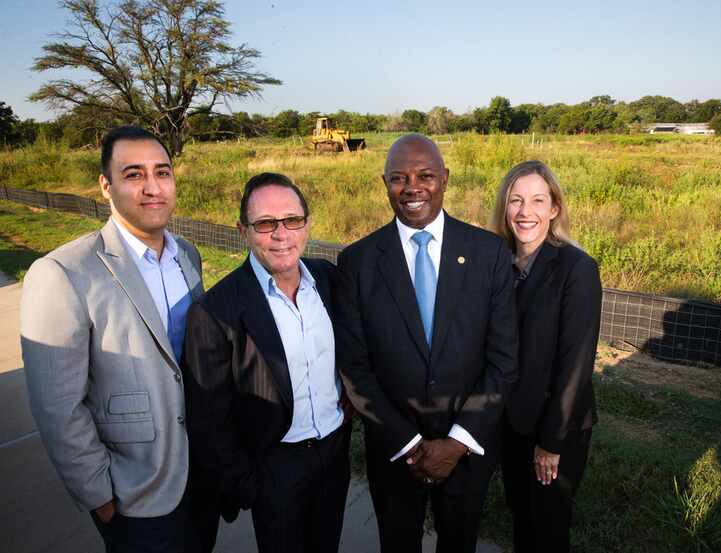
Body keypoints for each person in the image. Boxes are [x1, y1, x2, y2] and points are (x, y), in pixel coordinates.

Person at [20, 126, 204, 553]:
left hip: (199, 476)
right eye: (134, 174)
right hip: (134, 492)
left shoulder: (188, 257)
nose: (152, 188)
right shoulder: (63, 273)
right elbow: (56, 406)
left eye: (162, 172)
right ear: (106, 185)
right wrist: (99, 493)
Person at [334, 134, 518, 553]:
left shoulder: (487, 253)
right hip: (395, 451)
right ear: (385, 183)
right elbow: (355, 367)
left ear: (445, 179)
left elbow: (503, 360)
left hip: (467, 449)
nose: (412, 187)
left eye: (425, 175)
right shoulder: (358, 262)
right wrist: (410, 444)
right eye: (399, 177)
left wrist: (456, 442)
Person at [182, 172, 351, 553]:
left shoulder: (327, 278)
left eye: (293, 220)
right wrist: (248, 484)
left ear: (307, 224)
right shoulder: (215, 311)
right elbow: (208, 417)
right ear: (242, 231)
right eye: (265, 224)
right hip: (274, 469)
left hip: (334, 456)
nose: (282, 234)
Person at [490, 160, 602, 552]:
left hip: (556, 428)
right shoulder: (498, 263)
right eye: (516, 200)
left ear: (554, 208)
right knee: (520, 516)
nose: (526, 212)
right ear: (504, 208)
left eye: (538, 200)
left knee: (548, 527)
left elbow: (576, 363)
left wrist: (551, 442)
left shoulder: (577, 268)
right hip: (511, 423)